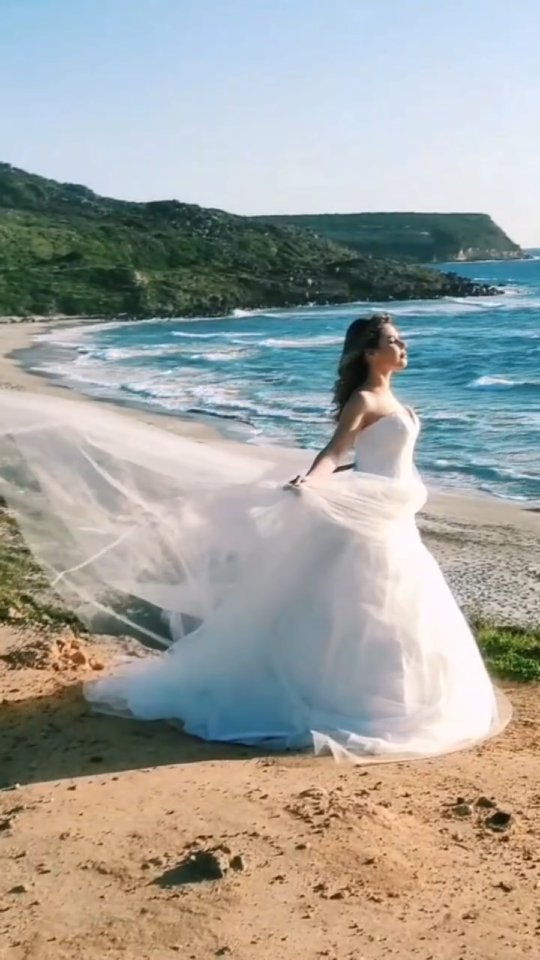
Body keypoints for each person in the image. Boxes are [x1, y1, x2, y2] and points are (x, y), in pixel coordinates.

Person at [0, 314, 509, 761]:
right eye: (395, 341)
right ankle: (352, 700)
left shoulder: (392, 397)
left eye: (401, 340)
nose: (404, 347)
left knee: (396, 607)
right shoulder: (365, 398)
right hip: (370, 518)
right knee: (364, 605)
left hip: (391, 515)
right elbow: (334, 452)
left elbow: (377, 459)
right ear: (371, 353)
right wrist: (311, 482)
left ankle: (392, 696)